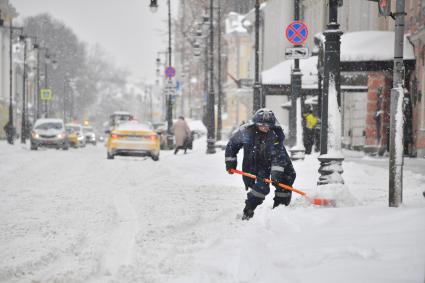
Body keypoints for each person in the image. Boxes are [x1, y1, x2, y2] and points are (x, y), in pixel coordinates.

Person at [225, 108, 296, 220]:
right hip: (257, 165)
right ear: (255, 123)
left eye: (268, 125)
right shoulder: (246, 132)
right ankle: (248, 210)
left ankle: (279, 212)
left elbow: (278, 156)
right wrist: (230, 163)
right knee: (261, 188)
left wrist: (276, 174)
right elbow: (232, 145)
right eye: (261, 124)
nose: (265, 127)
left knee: (284, 184)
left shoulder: (275, 135)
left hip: (281, 165)